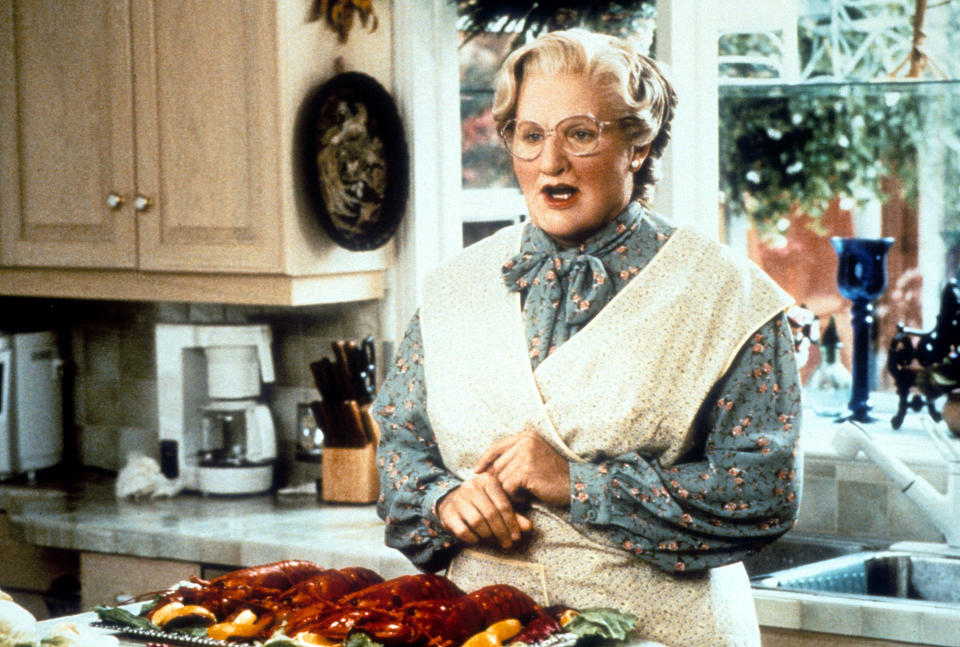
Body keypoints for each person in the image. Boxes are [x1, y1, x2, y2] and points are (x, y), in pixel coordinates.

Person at [372, 28, 801, 647]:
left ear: (638, 143)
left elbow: (764, 493)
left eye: (580, 133)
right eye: (530, 135)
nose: (551, 163)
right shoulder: (452, 288)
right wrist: (443, 500)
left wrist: (577, 484)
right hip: (482, 628)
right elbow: (398, 453)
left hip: (666, 632)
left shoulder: (729, 296)